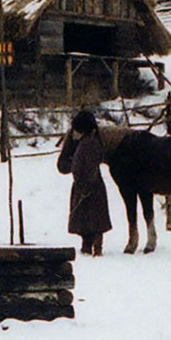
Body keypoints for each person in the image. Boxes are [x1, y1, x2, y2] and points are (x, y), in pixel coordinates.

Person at [57, 109, 115, 257]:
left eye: (76, 130)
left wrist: (86, 184)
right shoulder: (83, 143)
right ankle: (87, 245)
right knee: (85, 217)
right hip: (85, 184)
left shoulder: (89, 145)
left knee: (94, 218)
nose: (73, 133)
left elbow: (89, 167)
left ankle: (96, 248)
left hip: (90, 186)